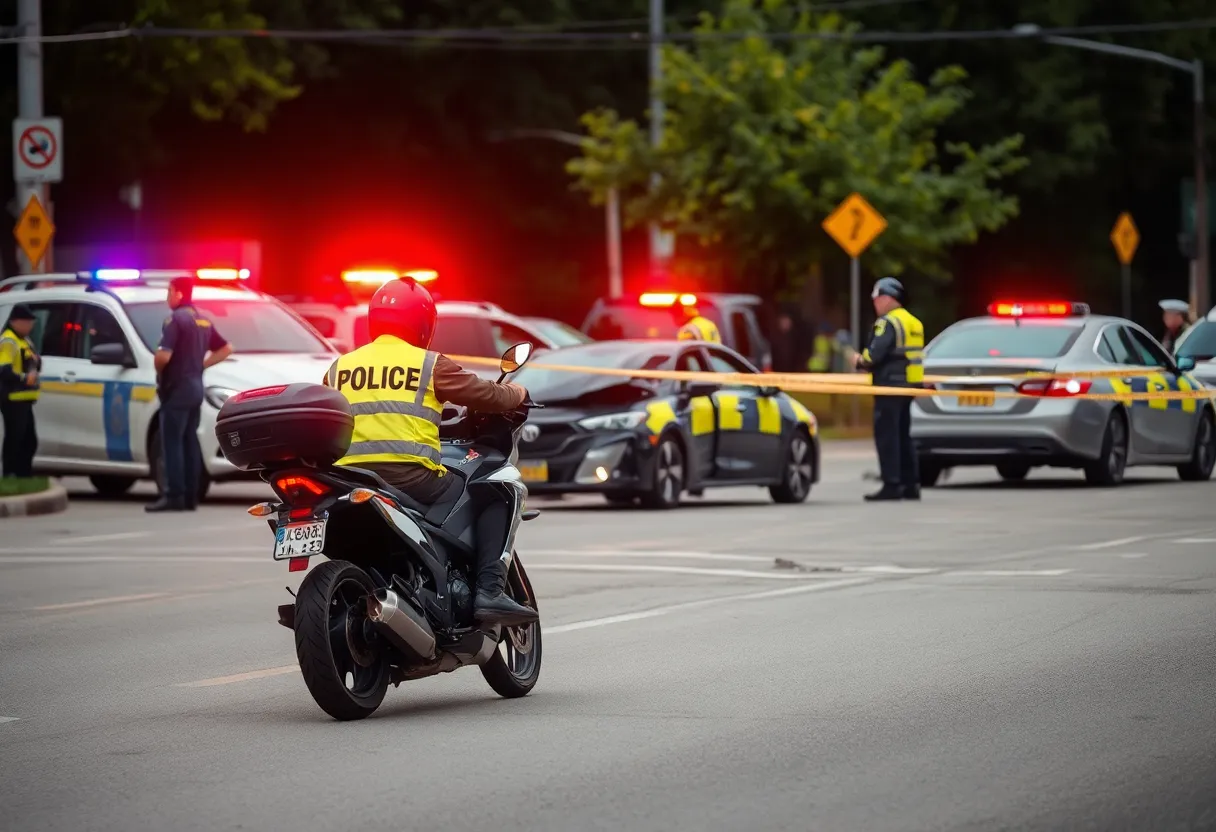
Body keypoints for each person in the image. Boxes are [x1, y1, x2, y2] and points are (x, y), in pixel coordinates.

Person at [323, 276, 538, 627]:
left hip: (348, 478)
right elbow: (487, 394)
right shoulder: (428, 364)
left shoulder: (339, 368)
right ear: (423, 325)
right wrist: (518, 393)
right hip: (412, 478)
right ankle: (488, 590)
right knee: (492, 490)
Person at [148, 277, 233, 512]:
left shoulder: (175, 320)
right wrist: (201, 365)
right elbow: (226, 348)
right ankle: (191, 496)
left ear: (178, 293)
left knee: (172, 443)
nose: (167, 296)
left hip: (175, 390)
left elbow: (163, 356)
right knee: (189, 441)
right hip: (195, 388)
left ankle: (174, 495)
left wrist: (159, 370)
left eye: (169, 291)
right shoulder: (202, 319)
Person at [855, 277, 924, 501]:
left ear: (887, 299)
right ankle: (911, 484)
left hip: (889, 385)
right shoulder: (913, 322)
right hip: (909, 386)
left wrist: (859, 361)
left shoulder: (888, 323)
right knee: (904, 435)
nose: (875, 304)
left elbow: (873, 355)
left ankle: (892, 485)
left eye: (876, 299)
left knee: (887, 436)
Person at [0, 305, 41, 477]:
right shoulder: (9, 341)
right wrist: (25, 378)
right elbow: (4, 370)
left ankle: (24, 474)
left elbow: (35, 362)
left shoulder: (25, 340)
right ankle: (11, 474)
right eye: (27, 322)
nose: (30, 326)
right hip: (12, 398)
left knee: (29, 440)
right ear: (16, 322)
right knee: (15, 439)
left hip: (24, 398)